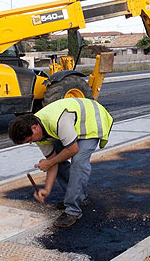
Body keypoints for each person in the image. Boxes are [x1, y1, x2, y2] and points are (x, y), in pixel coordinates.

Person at [8, 97, 113, 228]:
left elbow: (73, 149)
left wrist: (50, 162)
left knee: (79, 162)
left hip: (92, 121)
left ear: (34, 128)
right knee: (58, 158)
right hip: (73, 128)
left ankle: (73, 211)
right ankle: (77, 196)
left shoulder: (58, 121)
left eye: (30, 139)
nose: (31, 142)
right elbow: (53, 163)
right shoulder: (38, 134)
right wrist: (47, 189)